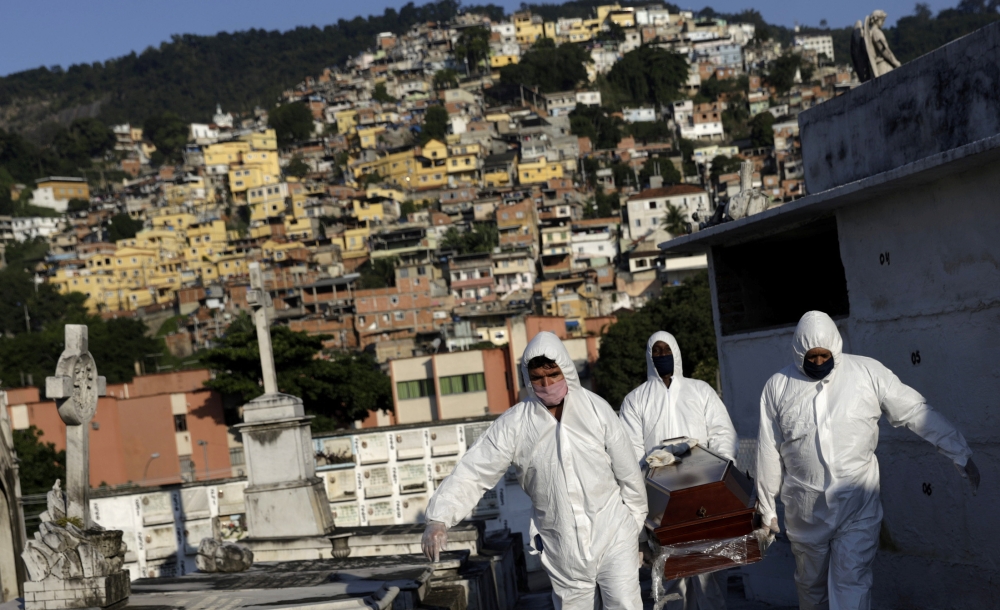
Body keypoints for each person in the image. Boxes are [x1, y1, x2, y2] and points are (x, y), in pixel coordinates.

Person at [757, 311, 980, 610]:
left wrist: (958, 451)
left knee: (852, 583)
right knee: (811, 589)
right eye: (813, 358)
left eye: (825, 356)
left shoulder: (867, 373)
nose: (820, 364)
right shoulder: (779, 386)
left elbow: (915, 412)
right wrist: (767, 507)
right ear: (799, 352)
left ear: (835, 347)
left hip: (857, 506)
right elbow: (769, 448)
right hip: (806, 510)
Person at [422, 332, 647, 609]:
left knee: (625, 604)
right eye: (538, 378)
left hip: (613, 532)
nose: (547, 384)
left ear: (565, 369)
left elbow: (629, 476)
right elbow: (475, 470)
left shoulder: (597, 411)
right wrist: (439, 518)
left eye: (553, 374)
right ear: (528, 379)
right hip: (561, 544)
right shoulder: (516, 424)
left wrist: (634, 529)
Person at [619, 331, 738, 610]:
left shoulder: (700, 391)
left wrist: (717, 473)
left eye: (666, 350)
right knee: (671, 576)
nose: (662, 356)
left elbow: (723, 433)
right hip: (662, 505)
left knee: (711, 572)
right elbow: (629, 452)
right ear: (650, 356)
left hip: (703, 496)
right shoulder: (636, 400)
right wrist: (650, 477)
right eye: (657, 352)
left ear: (677, 352)